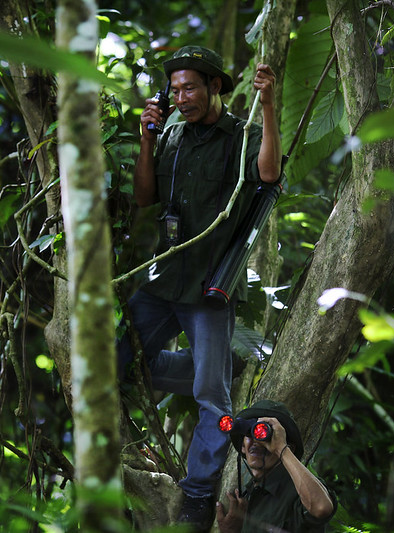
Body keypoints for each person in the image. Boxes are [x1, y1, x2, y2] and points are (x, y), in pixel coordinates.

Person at [117, 45, 283, 532]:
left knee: (215, 404)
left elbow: (269, 173)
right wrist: (147, 140)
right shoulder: (172, 137)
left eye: (190, 87)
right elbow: (145, 197)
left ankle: (195, 493)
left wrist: (269, 105)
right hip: (163, 278)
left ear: (214, 87)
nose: (181, 97)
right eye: (175, 90)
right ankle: (212, 367)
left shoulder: (240, 135)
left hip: (209, 286)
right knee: (116, 360)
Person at [216, 400, 337, 533]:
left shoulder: (297, 490)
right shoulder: (247, 495)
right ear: (243, 447)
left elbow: (321, 507)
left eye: (264, 436)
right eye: (249, 434)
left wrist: (281, 449)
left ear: (289, 447)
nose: (256, 442)